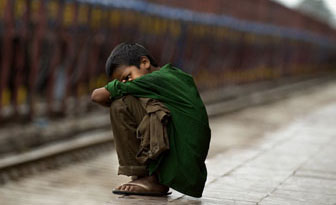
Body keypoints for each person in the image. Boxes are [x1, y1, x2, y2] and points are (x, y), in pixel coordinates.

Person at [91, 42, 211, 198]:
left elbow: (96, 96)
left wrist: (119, 89)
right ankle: (145, 176)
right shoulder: (170, 75)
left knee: (120, 104)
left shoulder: (159, 79)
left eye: (127, 77)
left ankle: (151, 179)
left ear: (144, 62)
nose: (127, 83)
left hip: (183, 164)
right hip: (188, 165)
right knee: (129, 100)